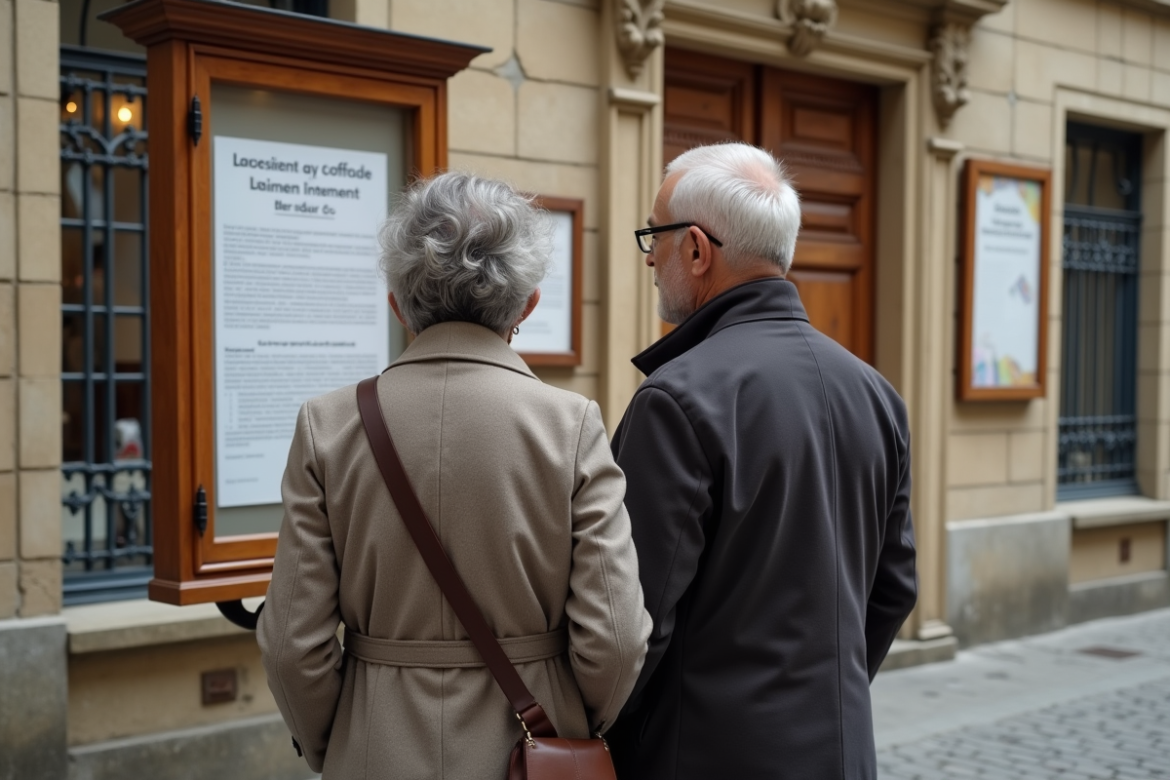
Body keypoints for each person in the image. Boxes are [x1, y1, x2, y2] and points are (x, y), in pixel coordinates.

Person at [258, 171, 652, 779]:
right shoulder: (571, 426)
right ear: (528, 305)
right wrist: (573, 720)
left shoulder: (327, 426)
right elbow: (617, 641)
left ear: (398, 304)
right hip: (530, 747)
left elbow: (291, 646)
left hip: (372, 747)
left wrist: (336, 744)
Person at [607, 142, 918, 779]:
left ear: (697, 249)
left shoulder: (679, 398)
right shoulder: (877, 393)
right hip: (841, 755)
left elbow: (630, 624)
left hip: (705, 757)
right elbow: (894, 589)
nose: (650, 257)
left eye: (655, 236)